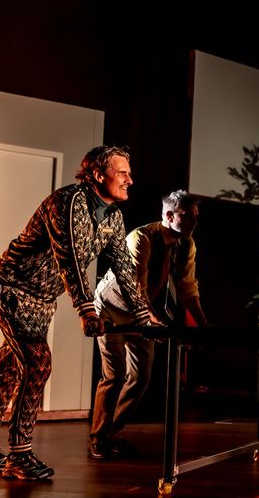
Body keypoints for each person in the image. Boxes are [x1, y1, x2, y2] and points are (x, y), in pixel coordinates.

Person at [0, 145, 151, 480]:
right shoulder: (68, 202)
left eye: (129, 174)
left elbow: (123, 266)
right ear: (97, 174)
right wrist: (87, 310)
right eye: (122, 173)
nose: (129, 180)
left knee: (11, 367)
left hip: (43, 300)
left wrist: (143, 314)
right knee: (38, 363)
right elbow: (70, 258)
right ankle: (19, 454)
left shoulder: (113, 217)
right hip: (12, 288)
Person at [88, 190, 209, 459]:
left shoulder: (186, 244)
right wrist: (155, 323)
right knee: (114, 375)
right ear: (170, 215)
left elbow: (187, 286)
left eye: (196, 217)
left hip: (141, 313)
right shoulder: (141, 238)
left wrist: (203, 324)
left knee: (140, 376)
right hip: (111, 310)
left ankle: (113, 435)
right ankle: (98, 439)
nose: (194, 222)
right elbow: (136, 289)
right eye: (188, 216)